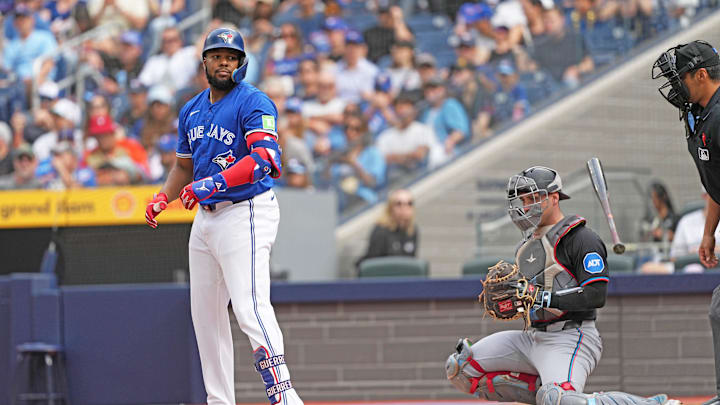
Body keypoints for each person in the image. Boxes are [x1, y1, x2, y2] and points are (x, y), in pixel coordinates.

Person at [144, 27, 304, 405]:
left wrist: (212, 183)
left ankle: (284, 397)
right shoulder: (192, 109)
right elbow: (183, 168)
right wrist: (161, 198)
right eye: (217, 56)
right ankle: (219, 401)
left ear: (241, 64)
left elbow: (265, 160)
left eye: (231, 57)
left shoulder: (254, 101)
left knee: (249, 306)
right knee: (206, 318)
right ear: (204, 62)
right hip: (206, 219)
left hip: (245, 210)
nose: (223, 62)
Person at [444, 165, 679, 405]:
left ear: (554, 198)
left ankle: (651, 404)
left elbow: (596, 295)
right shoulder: (526, 246)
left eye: (533, 198)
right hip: (532, 338)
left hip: (571, 336)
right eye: (523, 199)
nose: (526, 205)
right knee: (460, 368)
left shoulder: (582, 238)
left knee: (561, 399)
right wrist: (514, 303)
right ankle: (544, 392)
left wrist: (541, 297)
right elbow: (529, 299)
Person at [652, 40, 720, 405]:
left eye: (680, 77)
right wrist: (708, 232)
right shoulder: (703, 115)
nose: (676, 86)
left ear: (703, 74)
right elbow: (716, 186)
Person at [357, 188, 418, 268]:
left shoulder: (412, 231)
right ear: (390, 207)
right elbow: (372, 263)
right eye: (399, 204)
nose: (404, 207)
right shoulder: (380, 230)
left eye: (409, 203)